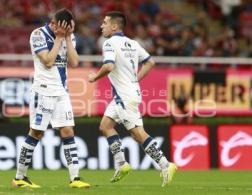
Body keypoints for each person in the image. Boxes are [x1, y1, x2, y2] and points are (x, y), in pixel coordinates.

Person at [88, 11, 177, 187]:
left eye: (105, 23)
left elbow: (108, 65)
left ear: (114, 26)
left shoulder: (109, 43)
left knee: (137, 134)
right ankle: (122, 164)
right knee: (105, 126)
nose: (101, 26)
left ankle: (165, 165)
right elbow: (150, 62)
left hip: (124, 96)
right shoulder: (133, 43)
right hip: (128, 93)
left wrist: (94, 78)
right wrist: (135, 79)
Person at [12, 8, 90, 189]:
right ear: (53, 23)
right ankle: (19, 177)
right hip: (43, 91)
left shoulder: (69, 37)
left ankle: (75, 178)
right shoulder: (38, 34)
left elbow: (75, 62)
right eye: (58, 26)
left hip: (62, 92)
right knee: (36, 133)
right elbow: (47, 61)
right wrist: (59, 38)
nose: (59, 29)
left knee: (68, 131)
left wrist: (68, 38)